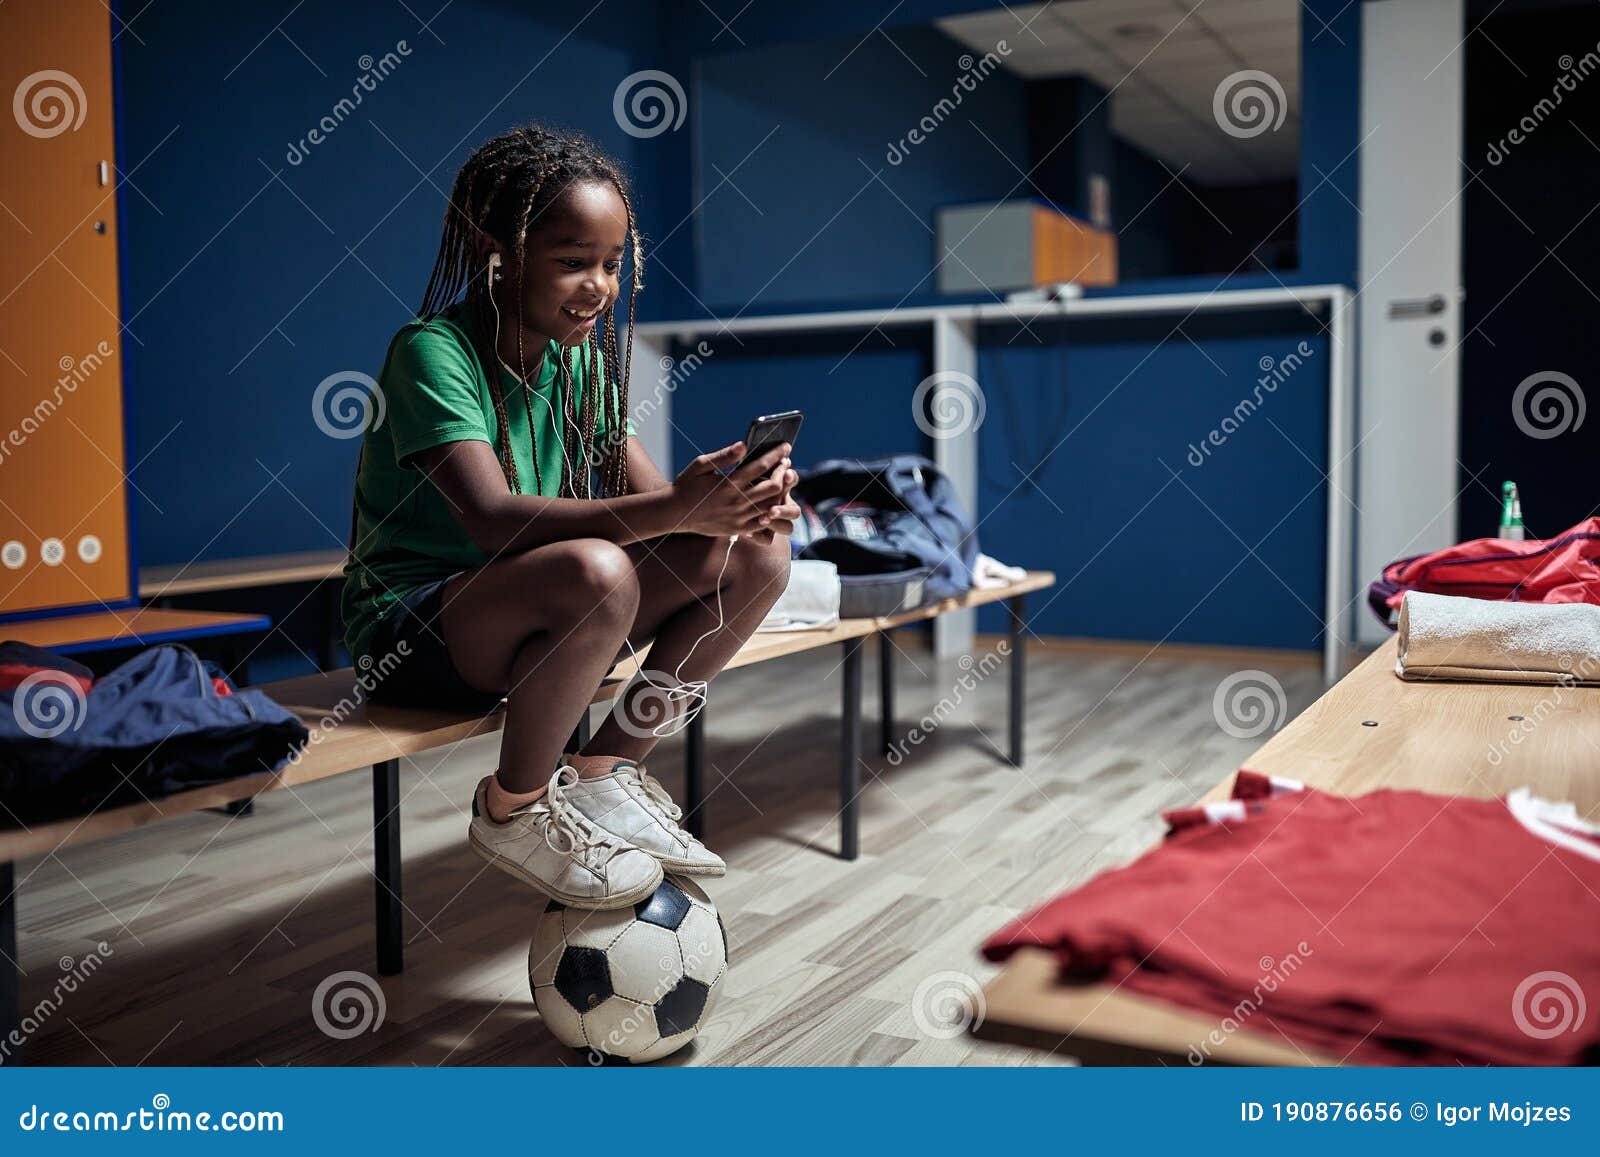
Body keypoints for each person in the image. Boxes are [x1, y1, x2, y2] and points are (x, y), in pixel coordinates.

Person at [341, 124, 798, 909]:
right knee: (598, 568)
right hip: (413, 631)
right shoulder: (433, 351)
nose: (599, 286)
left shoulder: (581, 362)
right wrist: (677, 506)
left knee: (757, 558)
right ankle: (512, 807)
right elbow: (490, 520)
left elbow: (670, 521)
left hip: (543, 614)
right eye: (572, 262)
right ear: (497, 253)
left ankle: (603, 772)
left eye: (613, 265)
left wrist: (736, 505)